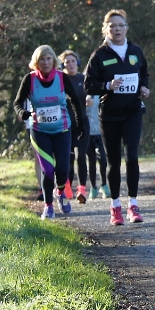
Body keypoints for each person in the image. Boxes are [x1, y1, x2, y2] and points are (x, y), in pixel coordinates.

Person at [83, 10, 150, 225]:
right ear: (105, 30)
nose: (117, 29)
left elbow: (144, 73)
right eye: (112, 26)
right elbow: (88, 85)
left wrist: (144, 88)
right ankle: (115, 207)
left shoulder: (136, 51)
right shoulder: (99, 55)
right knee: (113, 161)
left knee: (132, 157)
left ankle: (133, 204)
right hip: (110, 114)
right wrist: (107, 86)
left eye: (120, 25)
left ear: (126, 28)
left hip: (132, 111)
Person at [13, 45, 89, 219]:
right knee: (47, 170)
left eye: (48, 59)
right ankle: (48, 207)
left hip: (62, 130)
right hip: (39, 131)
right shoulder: (30, 79)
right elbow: (17, 103)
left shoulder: (61, 77)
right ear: (36, 62)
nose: (46, 62)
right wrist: (22, 113)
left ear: (53, 61)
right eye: (42, 59)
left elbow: (75, 100)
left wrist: (80, 124)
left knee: (62, 169)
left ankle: (60, 192)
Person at [59, 50, 90, 204]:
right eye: (67, 62)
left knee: (81, 156)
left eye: (73, 61)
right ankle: (66, 186)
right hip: (65, 123)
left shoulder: (83, 79)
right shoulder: (60, 80)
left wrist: (90, 98)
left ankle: (82, 189)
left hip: (82, 122)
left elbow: (91, 92)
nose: (70, 64)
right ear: (62, 65)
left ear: (77, 63)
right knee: (68, 156)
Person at [86, 93, 110, 198]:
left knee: (103, 158)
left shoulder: (101, 93)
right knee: (91, 160)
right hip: (88, 133)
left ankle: (104, 185)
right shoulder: (84, 94)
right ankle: (93, 187)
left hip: (100, 132)